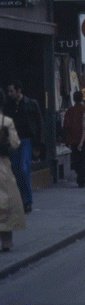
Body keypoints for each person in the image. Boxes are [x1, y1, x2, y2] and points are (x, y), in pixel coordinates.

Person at [5, 81, 43, 213]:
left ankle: (27, 201)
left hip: (27, 140)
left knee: (23, 168)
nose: (9, 94)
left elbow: (39, 123)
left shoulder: (31, 103)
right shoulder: (9, 106)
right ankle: (21, 200)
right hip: (14, 141)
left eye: (11, 91)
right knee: (16, 170)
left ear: (18, 91)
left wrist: (38, 144)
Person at [0, 90, 25, 252]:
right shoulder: (6, 121)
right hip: (2, 164)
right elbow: (15, 144)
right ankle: (6, 241)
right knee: (7, 201)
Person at [62, 91, 85, 188]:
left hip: (73, 139)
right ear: (82, 98)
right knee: (84, 160)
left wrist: (66, 139)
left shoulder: (70, 111)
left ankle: (80, 176)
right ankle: (82, 179)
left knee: (76, 160)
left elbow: (66, 126)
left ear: (73, 99)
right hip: (84, 139)